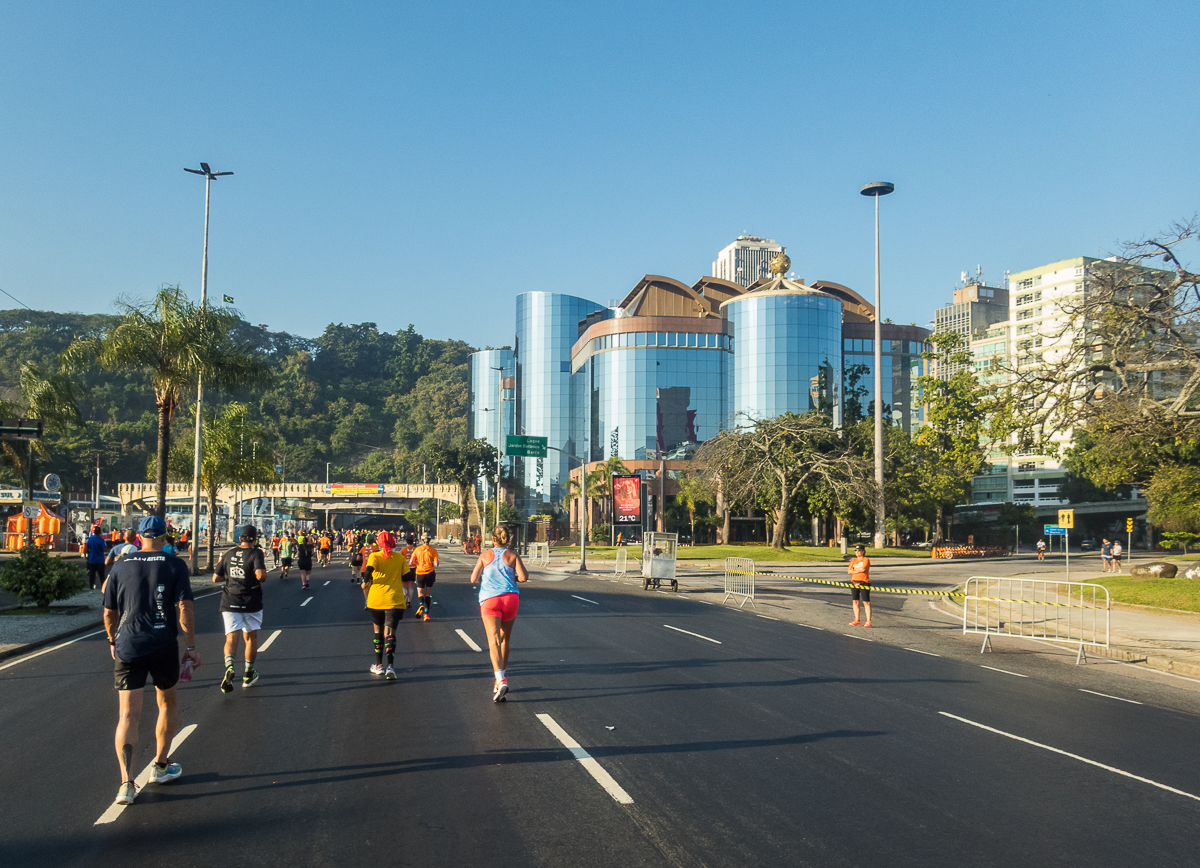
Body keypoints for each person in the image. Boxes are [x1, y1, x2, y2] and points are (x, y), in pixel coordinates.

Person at [102, 515, 198, 806]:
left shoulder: (120, 565)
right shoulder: (174, 564)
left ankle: (126, 785)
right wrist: (191, 646)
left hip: (128, 644)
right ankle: (160, 766)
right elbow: (184, 607)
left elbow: (108, 612)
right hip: (163, 644)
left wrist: (112, 640)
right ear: (165, 535)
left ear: (139, 536)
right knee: (166, 703)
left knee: (127, 716)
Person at [469, 525, 529, 702]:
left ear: (493, 539)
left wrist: (486, 578)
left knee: (493, 640)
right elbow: (524, 577)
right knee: (505, 639)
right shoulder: (512, 555)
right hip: (510, 599)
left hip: (490, 600)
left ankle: (500, 678)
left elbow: (473, 578)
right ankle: (500, 680)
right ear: (508, 539)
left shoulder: (485, 555)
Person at [213, 524, 267, 693]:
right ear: (255, 538)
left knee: (231, 638)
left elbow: (216, 578)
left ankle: (229, 666)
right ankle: (248, 674)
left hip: (230, 601)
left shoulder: (229, 554)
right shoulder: (255, 553)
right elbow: (261, 576)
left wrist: (232, 576)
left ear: (240, 538)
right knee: (250, 638)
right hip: (251, 601)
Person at [360, 530, 409, 680]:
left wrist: (365, 582)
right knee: (390, 633)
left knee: (378, 631)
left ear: (379, 544)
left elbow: (368, 571)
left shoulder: (375, 556)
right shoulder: (399, 557)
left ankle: (379, 665)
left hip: (376, 600)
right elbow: (407, 576)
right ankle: (391, 667)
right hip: (394, 600)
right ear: (393, 543)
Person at [412, 534, 439, 621]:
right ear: (430, 540)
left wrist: (418, 563)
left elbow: (411, 561)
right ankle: (426, 614)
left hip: (420, 573)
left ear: (421, 540)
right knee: (428, 594)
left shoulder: (417, 549)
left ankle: (421, 605)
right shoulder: (433, 550)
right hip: (430, 573)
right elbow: (436, 564)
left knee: (420, 593)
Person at [847, 544, 872, 627]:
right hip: (854, 582)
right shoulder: (853, 560)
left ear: (863, 551)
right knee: (855, 601)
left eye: (859, 550)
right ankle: (857, 619)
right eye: (856, 551)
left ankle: (868, 620)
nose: (857, 552)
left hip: (864, 582)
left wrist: (855, 569)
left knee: (866, 602)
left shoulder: (866, 559)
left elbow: (863, 569)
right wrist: (857, 570)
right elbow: (849, 571)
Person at [85, 526, 108, 593]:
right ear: (100, 532)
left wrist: (86, 558)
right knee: (102, 575)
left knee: (92, 575)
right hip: (100, 560)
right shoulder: (101, 540)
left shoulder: (90, 539)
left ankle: (91, 589)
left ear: (94, 532)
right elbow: (104, 549)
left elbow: (86, 549)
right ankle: (103, 588)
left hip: (91, 560)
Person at [399, 533, 418, 607]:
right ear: (413, 541)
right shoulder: (415, 549)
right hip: (413, 569)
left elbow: (400, 559)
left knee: (404, 586)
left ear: (406, 541)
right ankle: (409, 602)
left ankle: (405, 599)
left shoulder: (403, 550)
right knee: (411, 586)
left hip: (404, 569)